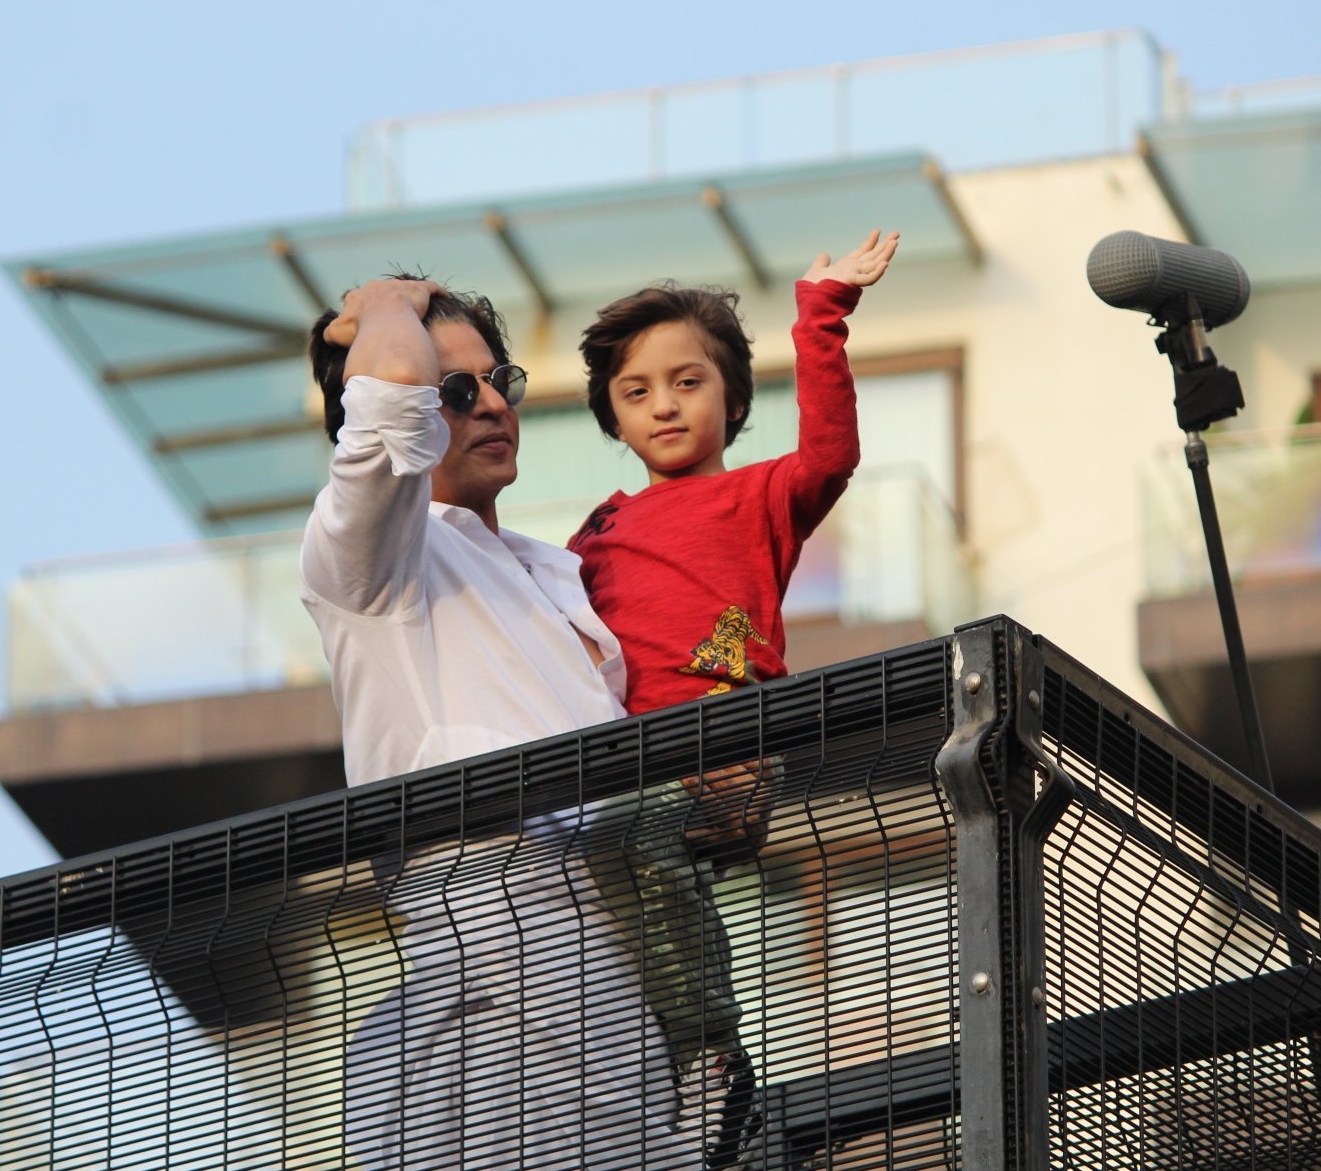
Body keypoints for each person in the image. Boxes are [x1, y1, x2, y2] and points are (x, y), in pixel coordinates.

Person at [300, 276, 709, 1170]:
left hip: (619, 947)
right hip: (491, 935)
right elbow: (383, 416)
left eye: (498, 380)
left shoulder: (554, 574)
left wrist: (709, 800)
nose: (489, 403)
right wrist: (383, 304)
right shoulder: (368, 561)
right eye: (454, 389)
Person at [566, 229, 899, 1159]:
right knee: (607, 869)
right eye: (636, 393)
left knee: (625, 841)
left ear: (733, 397)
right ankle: (662, 1079)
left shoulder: (759, 497)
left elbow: (831, 451)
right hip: (630, 760)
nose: (662, 406)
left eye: (687, 381)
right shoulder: (599, 530)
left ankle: (712, 1060)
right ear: (612, 417)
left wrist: (820, 310)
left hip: (724, 743)